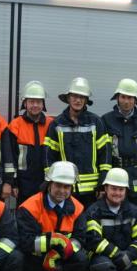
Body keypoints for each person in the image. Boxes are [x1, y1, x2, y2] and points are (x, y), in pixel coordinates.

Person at [16, 161, 89, 271]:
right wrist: (51, 242)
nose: (62, 190)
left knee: (81, 258)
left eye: (66, 186)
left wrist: (58, 253)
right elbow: (25, 242)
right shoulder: (30, 207)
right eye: (58, 185)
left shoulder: (78, 208)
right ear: (49, 184)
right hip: (36, 258)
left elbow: (80, 238)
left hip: (62, 254)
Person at [45, 77, 111, 207]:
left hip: (92, 192)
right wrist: (50, 183)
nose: (78, 100)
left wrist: (103, 184)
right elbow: (49, 157)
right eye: (75, 96)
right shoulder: (57, 124)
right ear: (68, 98)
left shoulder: (96, 122)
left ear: (86, 100)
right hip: (65, 188)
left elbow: (105, 155)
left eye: (82, 97)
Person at [101, 78, 137, 208]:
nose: (126, 101)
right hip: (114, 173)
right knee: (113, 211)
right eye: (123, 97)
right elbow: (102, 152)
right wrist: (102, 180)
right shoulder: (106, 120)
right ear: (117, 98)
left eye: (130, 98)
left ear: (135, 100)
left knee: (136, 214)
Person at [7, 80, 53, 203]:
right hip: (23, 184)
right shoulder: (15, 125)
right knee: (24, 217)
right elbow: (11, 157)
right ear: (25, 103)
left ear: (43, 104)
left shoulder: (51, 124)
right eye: (31, 101)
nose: (35, 105)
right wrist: (14, 183)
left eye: (38, 102)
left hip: (47, 182)